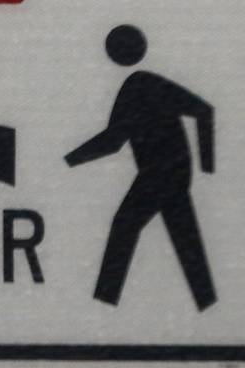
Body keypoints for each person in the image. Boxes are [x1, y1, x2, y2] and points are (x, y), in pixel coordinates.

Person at [66, 25, 218, 311]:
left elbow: (204, 110)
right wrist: (71, 159)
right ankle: (209, 304)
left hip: (163, 173)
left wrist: (208, 167)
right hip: (164, 174)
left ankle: (102, 304)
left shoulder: (143, 84)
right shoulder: (133, 87)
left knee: (125, 225)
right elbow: (114, 140)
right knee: (186, 240)